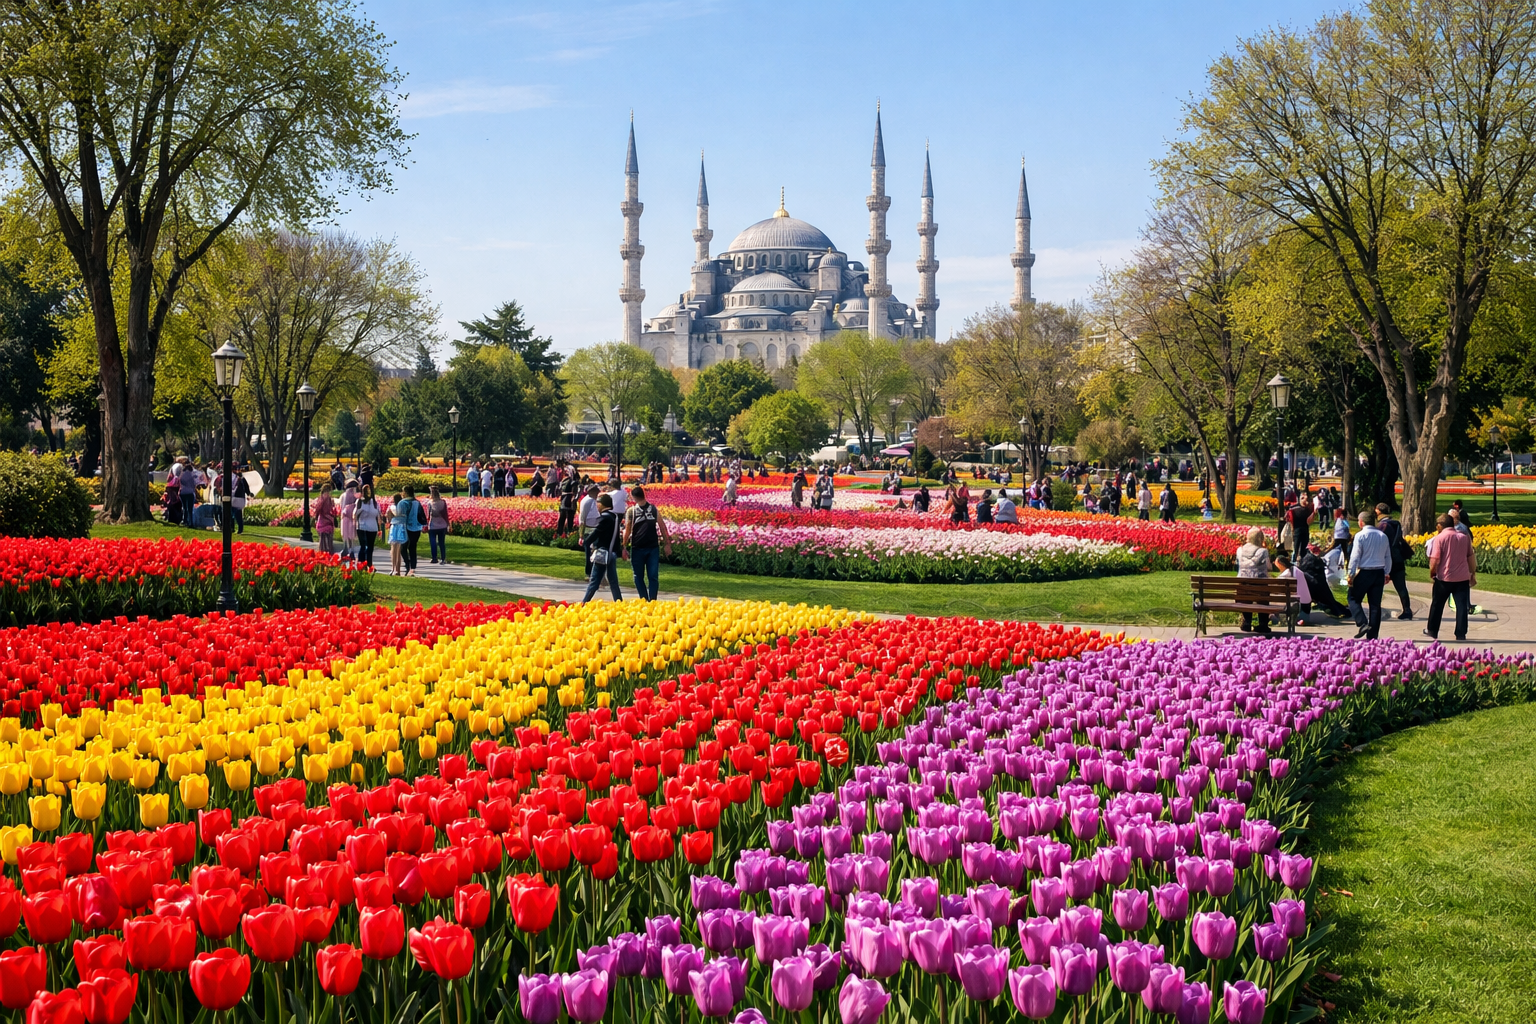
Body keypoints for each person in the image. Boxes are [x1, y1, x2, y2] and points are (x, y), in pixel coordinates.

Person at [1424, 512, 1476, 643]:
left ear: (1441, 526)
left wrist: (1432, 572)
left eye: (1437, 525)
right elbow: (1470, 557)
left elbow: (1435, 559)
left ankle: (1432, 630)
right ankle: (1461, 632)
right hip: (1462, 578)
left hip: (1444, 577)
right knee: (1462, 606)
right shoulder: (1464, 537)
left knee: (1437, 604)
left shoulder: (1440, 538)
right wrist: (1472, 573)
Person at [623, 485, 673, 601]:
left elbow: (628, 529)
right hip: (652, 547)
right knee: (653, 576)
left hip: (638, 547)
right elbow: (662, 527)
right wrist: (667, 544)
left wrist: (624, 546)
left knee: (638, 576)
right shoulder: (654, 509)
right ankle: (651, 600)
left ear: (634, 497)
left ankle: (644, 599)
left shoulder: (632, 511)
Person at [1346, 509, 1391, 639]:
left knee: (1353, 598)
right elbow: (1388, 556)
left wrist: (1351, 573)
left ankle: (1362, 622)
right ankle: (1373, 635)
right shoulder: (1383, 536)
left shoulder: (1361, 536)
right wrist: (1387, 572)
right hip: (1379, 572)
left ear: (1361, 522)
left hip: (1365, 571)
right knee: (1375, 605)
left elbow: (1355, 556)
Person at [1374, 502, 1415, 621]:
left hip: (1386, 560)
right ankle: (1407, 609)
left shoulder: (1383, 526)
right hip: (1398, 559)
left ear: (1380, 512)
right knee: (1401, 586)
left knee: (1377, 586)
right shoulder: (1395, 524)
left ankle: (1376, 610)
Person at [581, 494, 623, 603]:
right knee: (613, 582)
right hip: (611, 553)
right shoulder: (615, 517)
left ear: (602, 504)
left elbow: (597, 532)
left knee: (594, 581)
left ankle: (584, 603)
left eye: (598, 503)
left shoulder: (605, 517)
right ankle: (619, 603)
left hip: (603, 553)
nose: (597, 506)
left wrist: (587, 542)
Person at [1235, 526, 1274, 634]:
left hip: (1243, 587)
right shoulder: (1263, 551)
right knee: (1263, 596)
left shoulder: (1240, 550)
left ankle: (1247, 622)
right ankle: (1263, 624)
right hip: (1260, 586)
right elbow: (1269, 567)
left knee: (1246, 595)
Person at [1298, 543, 1350, 618]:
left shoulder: (1307, 559)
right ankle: (1339, 611)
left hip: (1310, 588)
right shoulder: (1317, 560)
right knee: (1328, 599)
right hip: (1320, 587)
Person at [578, 484, 602, 579]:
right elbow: (582, 519)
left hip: (595, 528)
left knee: (595, 551)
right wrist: (581, 535)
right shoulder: (587, 501)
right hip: (589, 530)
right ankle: (589, 573)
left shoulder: (593, 500)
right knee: (590, 552)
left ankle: (594, 572)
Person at [355, 485, 381, 570]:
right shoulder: (360, 502)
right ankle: (361, 564)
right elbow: (355, 514)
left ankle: (369, 564)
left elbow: (378, 516)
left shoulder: (374, 503)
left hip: (372, 527)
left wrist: (379, 528)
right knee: (364, 546)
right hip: (362, 526)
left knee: (370, 547)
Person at [427, 485, 450, 564]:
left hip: (433, 525)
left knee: (433, 542)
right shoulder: (443, 502)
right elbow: (445, 514)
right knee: (441, 543)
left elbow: (428, 515)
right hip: (442, 525)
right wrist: (448, 524)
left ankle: (434, 558)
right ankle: (443, 558)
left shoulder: (430, 503)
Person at [314, 485, 337, 555]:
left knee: (322, 541)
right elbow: (331, 510)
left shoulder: (321, 498)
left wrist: (316, 517)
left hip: (322, 521)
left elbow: (318, 510)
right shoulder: (328, 499)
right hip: (328, 521)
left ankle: (322, 553)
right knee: (329, 541)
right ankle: (329, 553)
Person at [340, 480, 359, 560]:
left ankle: (346, 548)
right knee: (351, 535)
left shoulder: (343, 496)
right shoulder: (355, 496)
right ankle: (351, 550)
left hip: (345, 517)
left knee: (346, 535)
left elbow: (341, 506)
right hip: (352, 518)